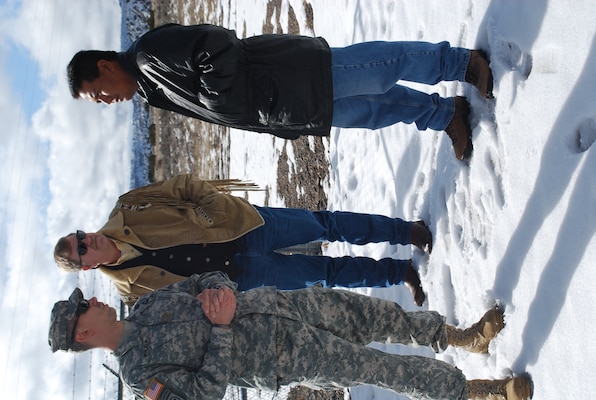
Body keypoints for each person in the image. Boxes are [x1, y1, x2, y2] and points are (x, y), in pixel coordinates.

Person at [48, 272, 534, 400]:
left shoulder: (149, 303)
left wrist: (221, 289)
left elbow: (205, 280)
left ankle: (461, 337)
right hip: (281, 355)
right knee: (384, 369)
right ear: (84, 332)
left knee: (373, 315)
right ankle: (475, 393)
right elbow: (204, 395)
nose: (94, 300)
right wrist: (219, 331)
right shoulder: (140, 378)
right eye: (84, 308)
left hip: (279, 304)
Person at [67, 24, 494, 160]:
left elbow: (213, 45)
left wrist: (221, 98)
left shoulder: (148, 56)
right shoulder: (149, 89)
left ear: (105, 67)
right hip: (285, 105)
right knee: (373, 109)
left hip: (289, 72)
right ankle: (443, 115)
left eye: (98, 92)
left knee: (378, 68)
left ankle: (459, 63)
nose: (106, 101)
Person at [54, 174, 432, 307]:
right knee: (325, 273)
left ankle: (405, 232)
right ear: (86, 266)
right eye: (81, 248)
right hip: (242, 277)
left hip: (243, 225)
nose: (87, 239)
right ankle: (398, 273)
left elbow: (184, 187)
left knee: (325, 225)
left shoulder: (128, 207)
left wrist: (211, 209)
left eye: (79, 235)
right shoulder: (131, 292)